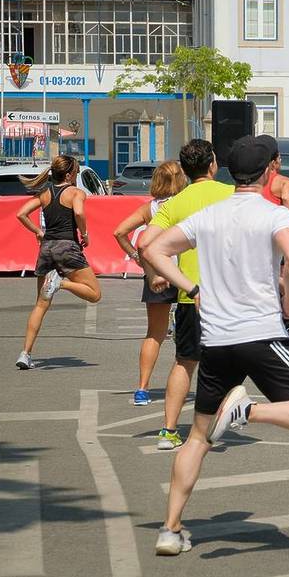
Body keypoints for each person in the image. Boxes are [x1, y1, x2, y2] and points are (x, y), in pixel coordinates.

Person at [145, 135, 289, 556]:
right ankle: (248, 410)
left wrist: (192, 287)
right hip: (261, 334)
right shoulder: (273, 214)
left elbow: (152, 248)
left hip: (217, 340)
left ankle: (170, 530)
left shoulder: (208, 216)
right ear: (269, 172)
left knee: (197, 438)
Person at [138, 140, 234, 450]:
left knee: (184, 362)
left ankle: (168, 431)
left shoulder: (175, 203)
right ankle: (218, 419)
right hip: (228, 294)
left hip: (191, 295)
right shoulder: (231, 195)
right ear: (212, 165)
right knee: (230, 362)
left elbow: (144, 245)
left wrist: (156, 274)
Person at [14, 155, 102, 369]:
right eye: (78, 172)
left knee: (40, 304)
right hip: (67, 248)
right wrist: (85, 233)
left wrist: (38, 231)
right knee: (95, 294)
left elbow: (21, 213)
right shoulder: (76, 193)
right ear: (70, 174)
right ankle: (61, 283)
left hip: (47, 249)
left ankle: (25, 353)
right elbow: (79, 211)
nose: (78, 175)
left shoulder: (44, 193)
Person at [112, 161, 188, 405]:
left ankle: (142, 388)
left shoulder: (150, 209)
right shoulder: (187, 204)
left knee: (154, 333)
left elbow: (119, 232)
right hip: (186, 271)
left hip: (157, 272)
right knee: (200, 332)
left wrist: (136, 257)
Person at [257, 135, 289, 213]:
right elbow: (286, 198)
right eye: (280, 157)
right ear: (275, 160)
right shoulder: (285, 182)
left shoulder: (247, 179)